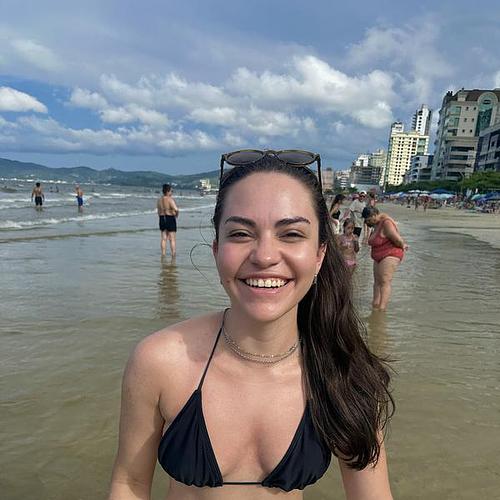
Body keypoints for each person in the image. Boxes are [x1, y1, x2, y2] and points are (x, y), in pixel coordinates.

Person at [109, 151, 394, 499]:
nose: (264, 256)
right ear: (216, 250)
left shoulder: (343, 371)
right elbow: (130, 484)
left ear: (320, 254)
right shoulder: (159, 361)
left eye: (291, 234)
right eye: (241, 233)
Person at [364, 206, 408, 311]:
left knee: (384, 281)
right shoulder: (376, 224)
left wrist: (403, 245)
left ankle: (382, 309)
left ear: (374, 215)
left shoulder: (386, 223)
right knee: (377, 282)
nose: (367, 222)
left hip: (390, 254)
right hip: (378, 256)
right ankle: (375, 305)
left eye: (368, 220)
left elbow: (397, 239)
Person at [157, 183, 179, 257]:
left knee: (163, 238)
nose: (171, 192)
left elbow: (158, 211)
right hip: (170, 218)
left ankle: (163, 254)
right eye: (171, 191)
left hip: (162, 218)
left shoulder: (159, 200)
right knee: (172, 239)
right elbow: (176, 209)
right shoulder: (170, 199)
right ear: (168, 191)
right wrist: (176, 215)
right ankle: (173, 254)